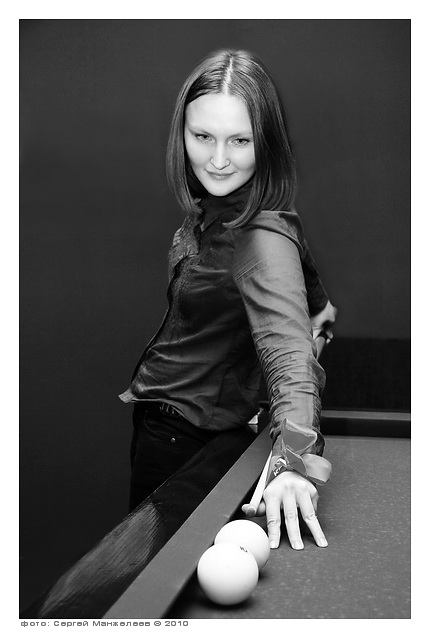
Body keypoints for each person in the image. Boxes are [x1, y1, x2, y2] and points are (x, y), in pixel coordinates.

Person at [119, 49, 337, 551]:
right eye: (203, 137)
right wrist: (318, 318)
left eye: (240, 140)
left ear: (267, 142)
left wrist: (293, 461)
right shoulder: (232, 207)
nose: (218, 160)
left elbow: (290, 357)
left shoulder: (261, 237)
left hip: (182, 442)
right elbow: (318, 311)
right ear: (182, 133)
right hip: (177, 427)